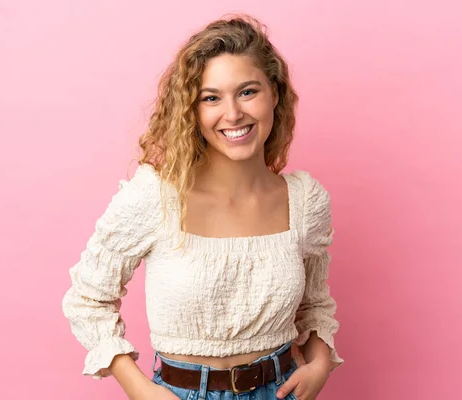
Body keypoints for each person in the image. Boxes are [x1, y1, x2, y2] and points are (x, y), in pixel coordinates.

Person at [62, 14, 343, 400]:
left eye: (247, 92)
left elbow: (314, 305)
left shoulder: (305, 202)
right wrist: (142, 391)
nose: (232, 114)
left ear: (274, 94)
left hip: (281, 390)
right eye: (211, 98)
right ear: (192, 111)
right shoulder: (155, 196)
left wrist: (320, 364)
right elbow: (88, 298)